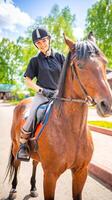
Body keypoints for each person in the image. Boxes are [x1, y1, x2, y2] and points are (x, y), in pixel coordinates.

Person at [17, 28, 65, 161]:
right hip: (42, 94)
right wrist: (42, 91)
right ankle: (23, 144)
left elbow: (68, 75)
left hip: (59, 95)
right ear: (36, 45)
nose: (42, 44)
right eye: (38, 42)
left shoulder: (60, 57)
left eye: (44, 40)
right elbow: (27, 80)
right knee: (33, 114)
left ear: (49, 39)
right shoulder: (35, 61)